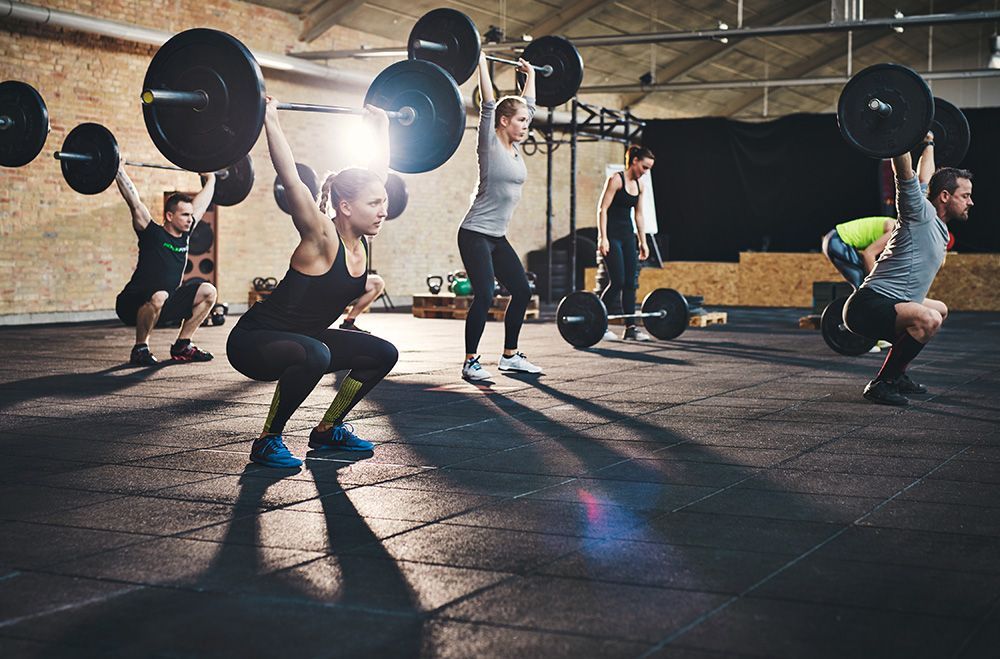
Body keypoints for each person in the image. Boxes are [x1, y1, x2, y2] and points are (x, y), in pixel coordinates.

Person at [226, 98, 399, 468]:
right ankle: (267, 439)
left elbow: (377, 176)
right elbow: (291, 178)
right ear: (347, 207)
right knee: (316, 353)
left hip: (305, 342)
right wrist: (268, 119)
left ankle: (328, 429)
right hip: (254, 343)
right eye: (374, 204)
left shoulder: (362, 239)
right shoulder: (322, 235)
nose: (383, 210)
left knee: (382, 353)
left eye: (383, 202)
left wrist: (381, 128)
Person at [843, 133, 973, 406]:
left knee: (939, 310)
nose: (970, 202)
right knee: (928, 320)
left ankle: (898, 374)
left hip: (889, 303)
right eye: (966, 195)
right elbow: (906, 174)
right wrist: (897, 135)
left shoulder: (935, 223)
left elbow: (926, 178)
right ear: (946, 196)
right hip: (867, 306)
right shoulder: (918, 213)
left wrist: (928, 143)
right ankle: (882, 383)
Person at [458, 52, 542, 382]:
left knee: (521, 291)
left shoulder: (515, 146)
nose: (526, 126)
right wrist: (480, 61)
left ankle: (509, 356)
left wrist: (530, 72)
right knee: (485, 294)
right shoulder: (490, 144)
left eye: (527, 122)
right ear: (505, 122)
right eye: (521, 121)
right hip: (474, 232)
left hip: (496, 236)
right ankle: (470, 362)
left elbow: (529, 105)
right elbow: (489, 105)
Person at [114, 165, 218, 366]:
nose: (190, 219)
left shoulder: (185, 236)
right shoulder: (152, 233)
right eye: (184, 215)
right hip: (132, 303)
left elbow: (202, 203)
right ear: (170, 216)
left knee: (209, 291)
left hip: (164, 302)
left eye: (190, 215)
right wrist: (118, 170)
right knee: (160, 295)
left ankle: (183, 345)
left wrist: (211, 178)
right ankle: (140, 348)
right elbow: (134, 202)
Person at [822, 135, 938, 290]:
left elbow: (925, 180)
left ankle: (928, 141)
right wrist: (874, 288)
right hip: (836, 241)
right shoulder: (897, 230)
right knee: (863, 286)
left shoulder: (913, 220)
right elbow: (869, 254)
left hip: (836, 239)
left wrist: (929, 143)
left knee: (864, 284)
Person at [596, 145, 655, 342]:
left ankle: (630, 328)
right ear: (635, 161)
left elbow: (638, 215)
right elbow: (602, 209)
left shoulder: (640, 186)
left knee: (630, 283)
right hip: (612, 237)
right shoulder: (616, 179)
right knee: (618, 281)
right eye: (645, 167)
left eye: (649, 169)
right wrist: (602, 237)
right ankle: (598, 323)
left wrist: (643, 241)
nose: (645, 172)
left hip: (627, 237)